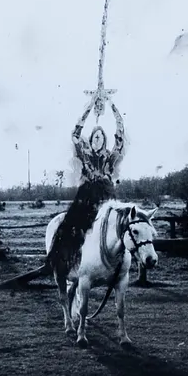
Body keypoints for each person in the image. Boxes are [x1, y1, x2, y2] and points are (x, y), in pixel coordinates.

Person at [46, 98, 126, 270]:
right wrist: (89, 107)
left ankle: (122, 260)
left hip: (106, 196)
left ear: (104, 140)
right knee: (72, 225)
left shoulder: (109, 159)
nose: (97, 140)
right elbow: (74, 136)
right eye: (95, 137)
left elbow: (120, 140)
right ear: (91, 139)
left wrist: (114, 109)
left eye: (100, 137)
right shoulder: (85, 155)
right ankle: (66, 260)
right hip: (87, 196)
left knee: (122, 224)